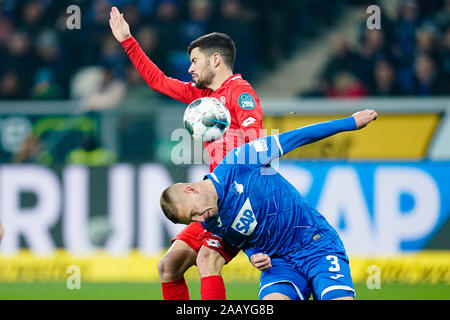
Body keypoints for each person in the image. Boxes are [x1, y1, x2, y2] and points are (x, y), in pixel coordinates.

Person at [109, 6, 264, 300]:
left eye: (195, 61)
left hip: (238, 199)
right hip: (213, 197)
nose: (190, 68)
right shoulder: (201, 95)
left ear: (215, 60)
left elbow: (258, 144)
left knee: (207, 261)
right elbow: (158, 81)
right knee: (168, 267)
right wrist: (128, 41)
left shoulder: (240, 92)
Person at [160, 109, 378, 300]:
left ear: (191, 190)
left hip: (316, 246)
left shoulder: (241, 160)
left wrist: (350, 122)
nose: (199, 220)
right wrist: (253, 254)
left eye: (193, 213)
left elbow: (297, 136)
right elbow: (245, 239)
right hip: (279, 264)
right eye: (192, 220)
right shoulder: (211, 221)